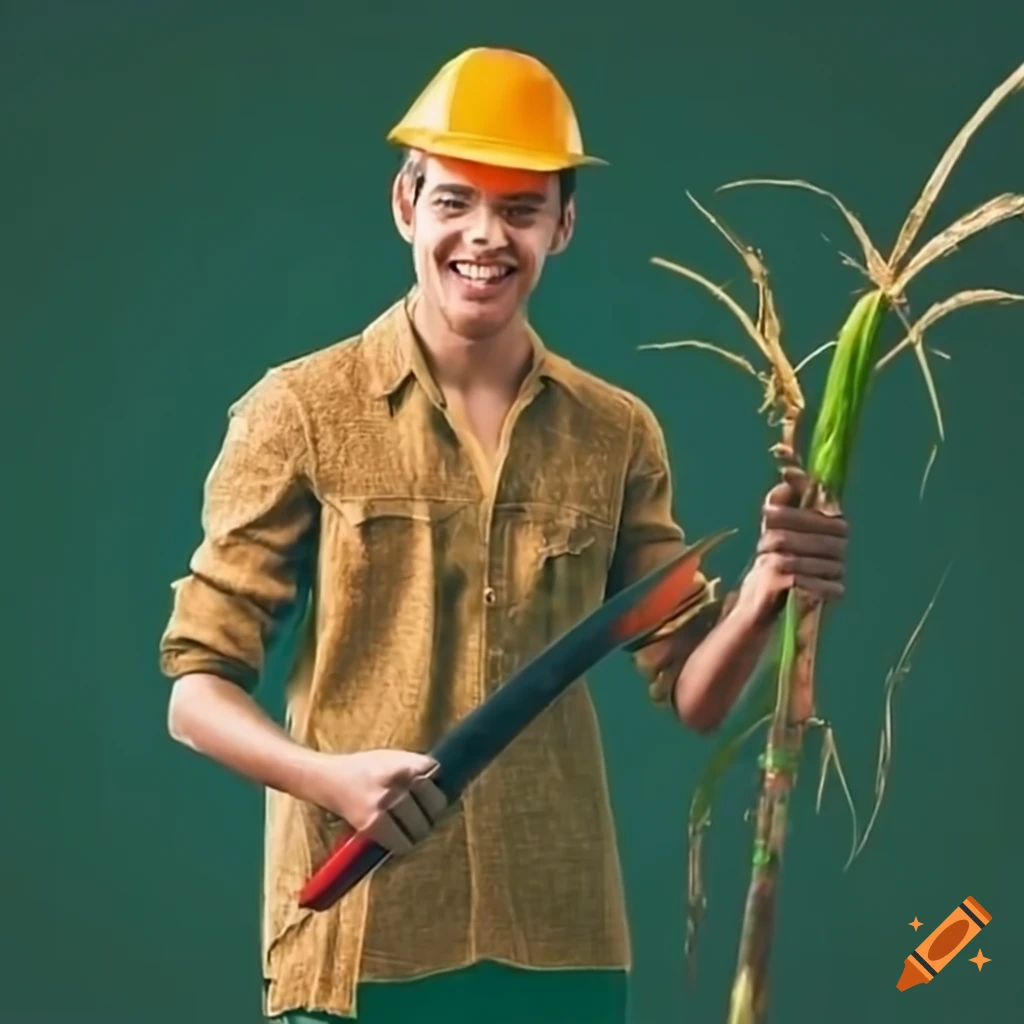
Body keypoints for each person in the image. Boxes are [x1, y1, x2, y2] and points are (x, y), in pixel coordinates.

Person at [158, 46, 849, 1023]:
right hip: (362, 937)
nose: (485, 236)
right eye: (454, 201)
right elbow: (194, 695)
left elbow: (695, 692)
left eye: (520, 208)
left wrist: (768, 587)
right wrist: (328, 780)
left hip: (560, 946)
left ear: (562, 225)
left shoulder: (617, 432)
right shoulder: (299, 411)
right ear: (406, 205)